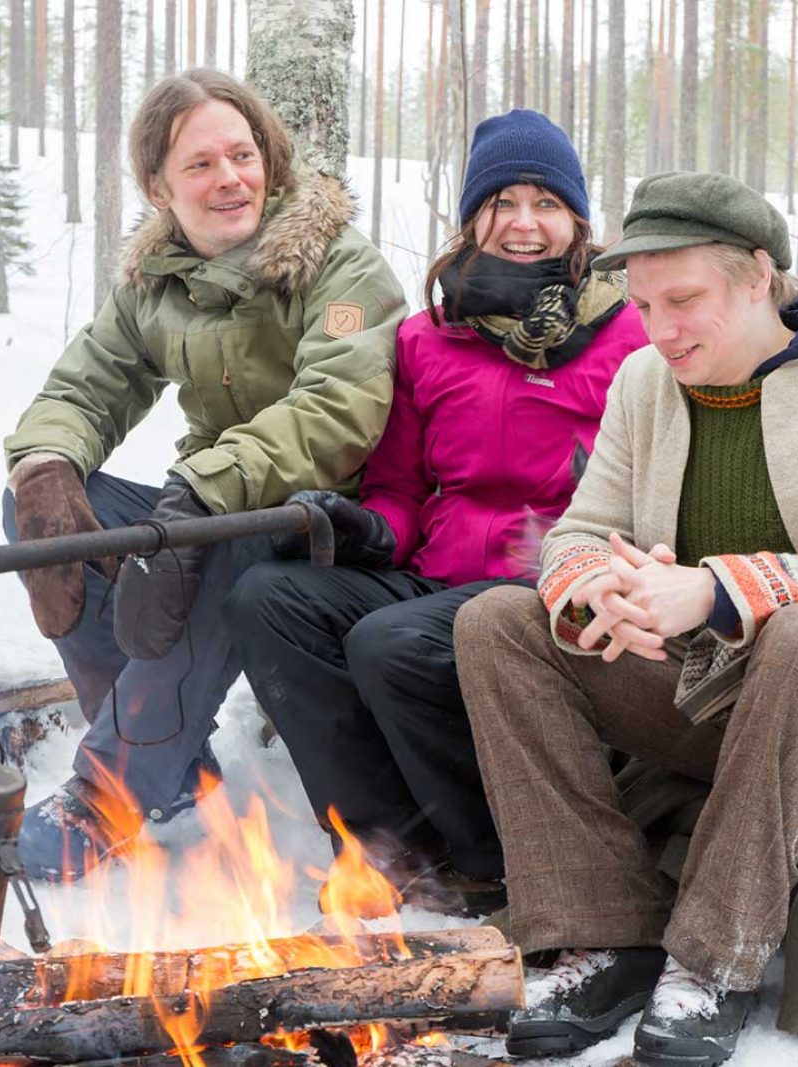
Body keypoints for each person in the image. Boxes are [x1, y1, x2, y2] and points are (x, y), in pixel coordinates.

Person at [453, 171, 798, 1066]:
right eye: (644, 302)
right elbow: (578, 532)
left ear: (757, 277)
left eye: (685, 300)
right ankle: (601, 934)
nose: (659, 328)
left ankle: (712, 959)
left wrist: (717, 588)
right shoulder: (644, 382)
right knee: (498, 622)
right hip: (708, 692)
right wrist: (597, 589)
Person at [222, 110, 646, 916]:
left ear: (577, 220)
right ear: (471, 218)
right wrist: (369, 529)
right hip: (439, 574)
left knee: (394, 643)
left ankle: (494, 857)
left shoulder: (627, 336)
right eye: (502, 202)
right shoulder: (426, 337)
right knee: (266, 599)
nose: (524, 223)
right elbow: (402, 490)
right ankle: (388, 843)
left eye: (546, 203)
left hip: (554, 585)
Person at [1, 69, 406, 881]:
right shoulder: (157, 280)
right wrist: (44, 466)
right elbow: (88, 386)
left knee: (219, 542)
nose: (230, 179)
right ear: (159, 186)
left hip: (333, 526)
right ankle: (175, 776)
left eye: (242, 155)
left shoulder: (339, 266)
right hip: (215, 505)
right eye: (201, 164)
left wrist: (207, 488)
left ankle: (108, 794)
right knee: (50, 513)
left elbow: (338, 412)